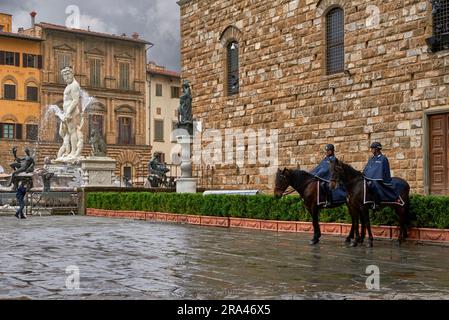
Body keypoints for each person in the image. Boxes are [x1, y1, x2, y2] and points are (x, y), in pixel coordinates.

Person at [57, 66, 83, 161]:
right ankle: (68, 150)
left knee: (72, 131)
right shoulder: (68, 86)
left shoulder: (74, 85)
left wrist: (68, 112)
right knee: (63, 132)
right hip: (67, 111)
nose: (66, 77)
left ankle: (73, 152)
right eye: (64, 75)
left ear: (72, 74)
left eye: (67, 74)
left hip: (71, 111)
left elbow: (75, 100)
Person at [363, 142, 394, 209]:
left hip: (379, 179)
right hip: (370, 178)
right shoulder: (371, 158)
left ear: (376, 149)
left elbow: (385, 170)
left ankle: (376, 203)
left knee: (374, 184)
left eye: (372, 148)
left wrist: (382, 178)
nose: (371, 150)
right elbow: (367, 168)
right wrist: (364, 175)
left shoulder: (383, 159)